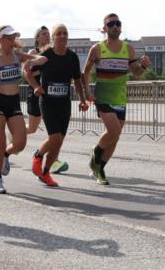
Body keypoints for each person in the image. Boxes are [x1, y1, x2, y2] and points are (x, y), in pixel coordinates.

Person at [0, 26, 46, 194]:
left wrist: (31, 61)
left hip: (13, 103)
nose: (12, 40)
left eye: (13, 37)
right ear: (0, 39)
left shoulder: (17, 55)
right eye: (8, 37)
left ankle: (6, 155)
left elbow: (43, 59)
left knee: (20, 143)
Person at [82, 13, 151, 185]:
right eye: (111, 24)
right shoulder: (97, 49)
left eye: (117, 23)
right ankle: (96, 152)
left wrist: (143, 65)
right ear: (104, 29)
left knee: (115, 136)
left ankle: (100, 167)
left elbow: (136, 72)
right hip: (103, 94)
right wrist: (87, 93)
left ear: (121, 27)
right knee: (114, 131)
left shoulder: (128, 49)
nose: (115, 26)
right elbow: (85, 72)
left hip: (120, 96)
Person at [23, 24, 89, 187]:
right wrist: (36, 86)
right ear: (53, 38)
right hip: (48, 102)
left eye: (65, 33)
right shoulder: (47, 54)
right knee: (55, 137)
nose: (62, 36)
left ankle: (45, 173)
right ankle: (38, 155)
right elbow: (27, 72)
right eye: (59, 33)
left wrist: (82, 99)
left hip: (64, 103)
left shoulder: (72, 57)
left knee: (58, 142)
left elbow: (77, 81)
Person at [25, 26, 68, 174]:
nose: (47, 36)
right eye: (43, 34)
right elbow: (26, 72)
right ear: (37, 38)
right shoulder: (33, 53)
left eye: (48, 34)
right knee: (32, 128)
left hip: (49, 95)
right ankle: (16, 134)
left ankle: (53, 161)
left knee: (55, 133)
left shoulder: (52, 52)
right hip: (36, 92)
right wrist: (43, 68)